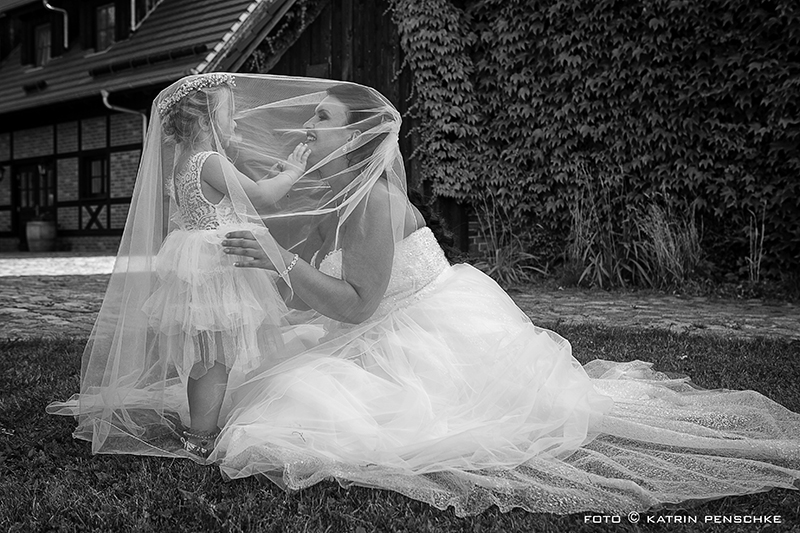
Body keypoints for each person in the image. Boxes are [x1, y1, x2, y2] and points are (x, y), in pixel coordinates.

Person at [49, 75, 800, 517]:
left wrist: (275, 261)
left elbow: (352, 306)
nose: (305, 124)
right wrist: (262, 249)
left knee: (296, 406)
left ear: (360, 136)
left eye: (321, 118)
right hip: (382, 312)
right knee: (270, 375)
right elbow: (286, 221)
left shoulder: (373, 199)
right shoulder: (342, 188)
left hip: (423, 330)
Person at [142, 73, 312, 459]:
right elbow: (261, 198)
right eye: (229, 115)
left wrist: (265, 180)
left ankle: (202, 424)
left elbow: (232, 200)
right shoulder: (211, 159)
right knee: (214, 355)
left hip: (202, 262)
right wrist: (292, 173)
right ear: (205, 122)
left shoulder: (186, 161)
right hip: (218, 268)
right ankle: (201, 433)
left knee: (212, 352)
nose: (235, 123)